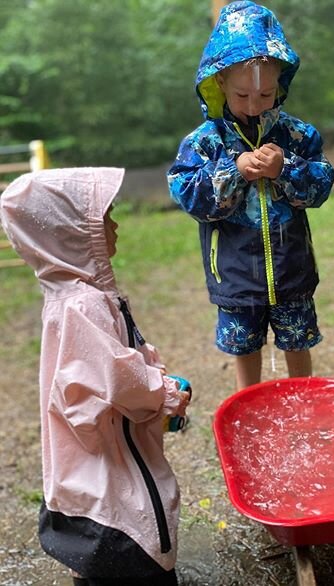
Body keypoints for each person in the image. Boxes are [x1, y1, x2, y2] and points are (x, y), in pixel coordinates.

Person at [0, 168, 191, 585]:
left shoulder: (67, 294)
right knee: (133, 512)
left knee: (100, 517)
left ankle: (92, 567)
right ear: (70, 234)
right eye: (104, 218)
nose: (115, 225)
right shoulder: (84, 305)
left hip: (89, 454)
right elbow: (120, 382)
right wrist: (167, 392)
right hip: (110, 450)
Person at [167, 1, 334, 391]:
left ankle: (304, 399)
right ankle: (249, 402)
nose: (254, 105)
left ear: (281, 83)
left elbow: (321, 184)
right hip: (234, 271)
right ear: (219, 81)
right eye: (242, 95)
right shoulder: (205, 142)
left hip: (291, 265)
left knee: (298, 337)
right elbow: (188, 194)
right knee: (244, 344)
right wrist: (233, 171)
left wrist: (286, 168)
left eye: (266, 94)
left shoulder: (296, 135)